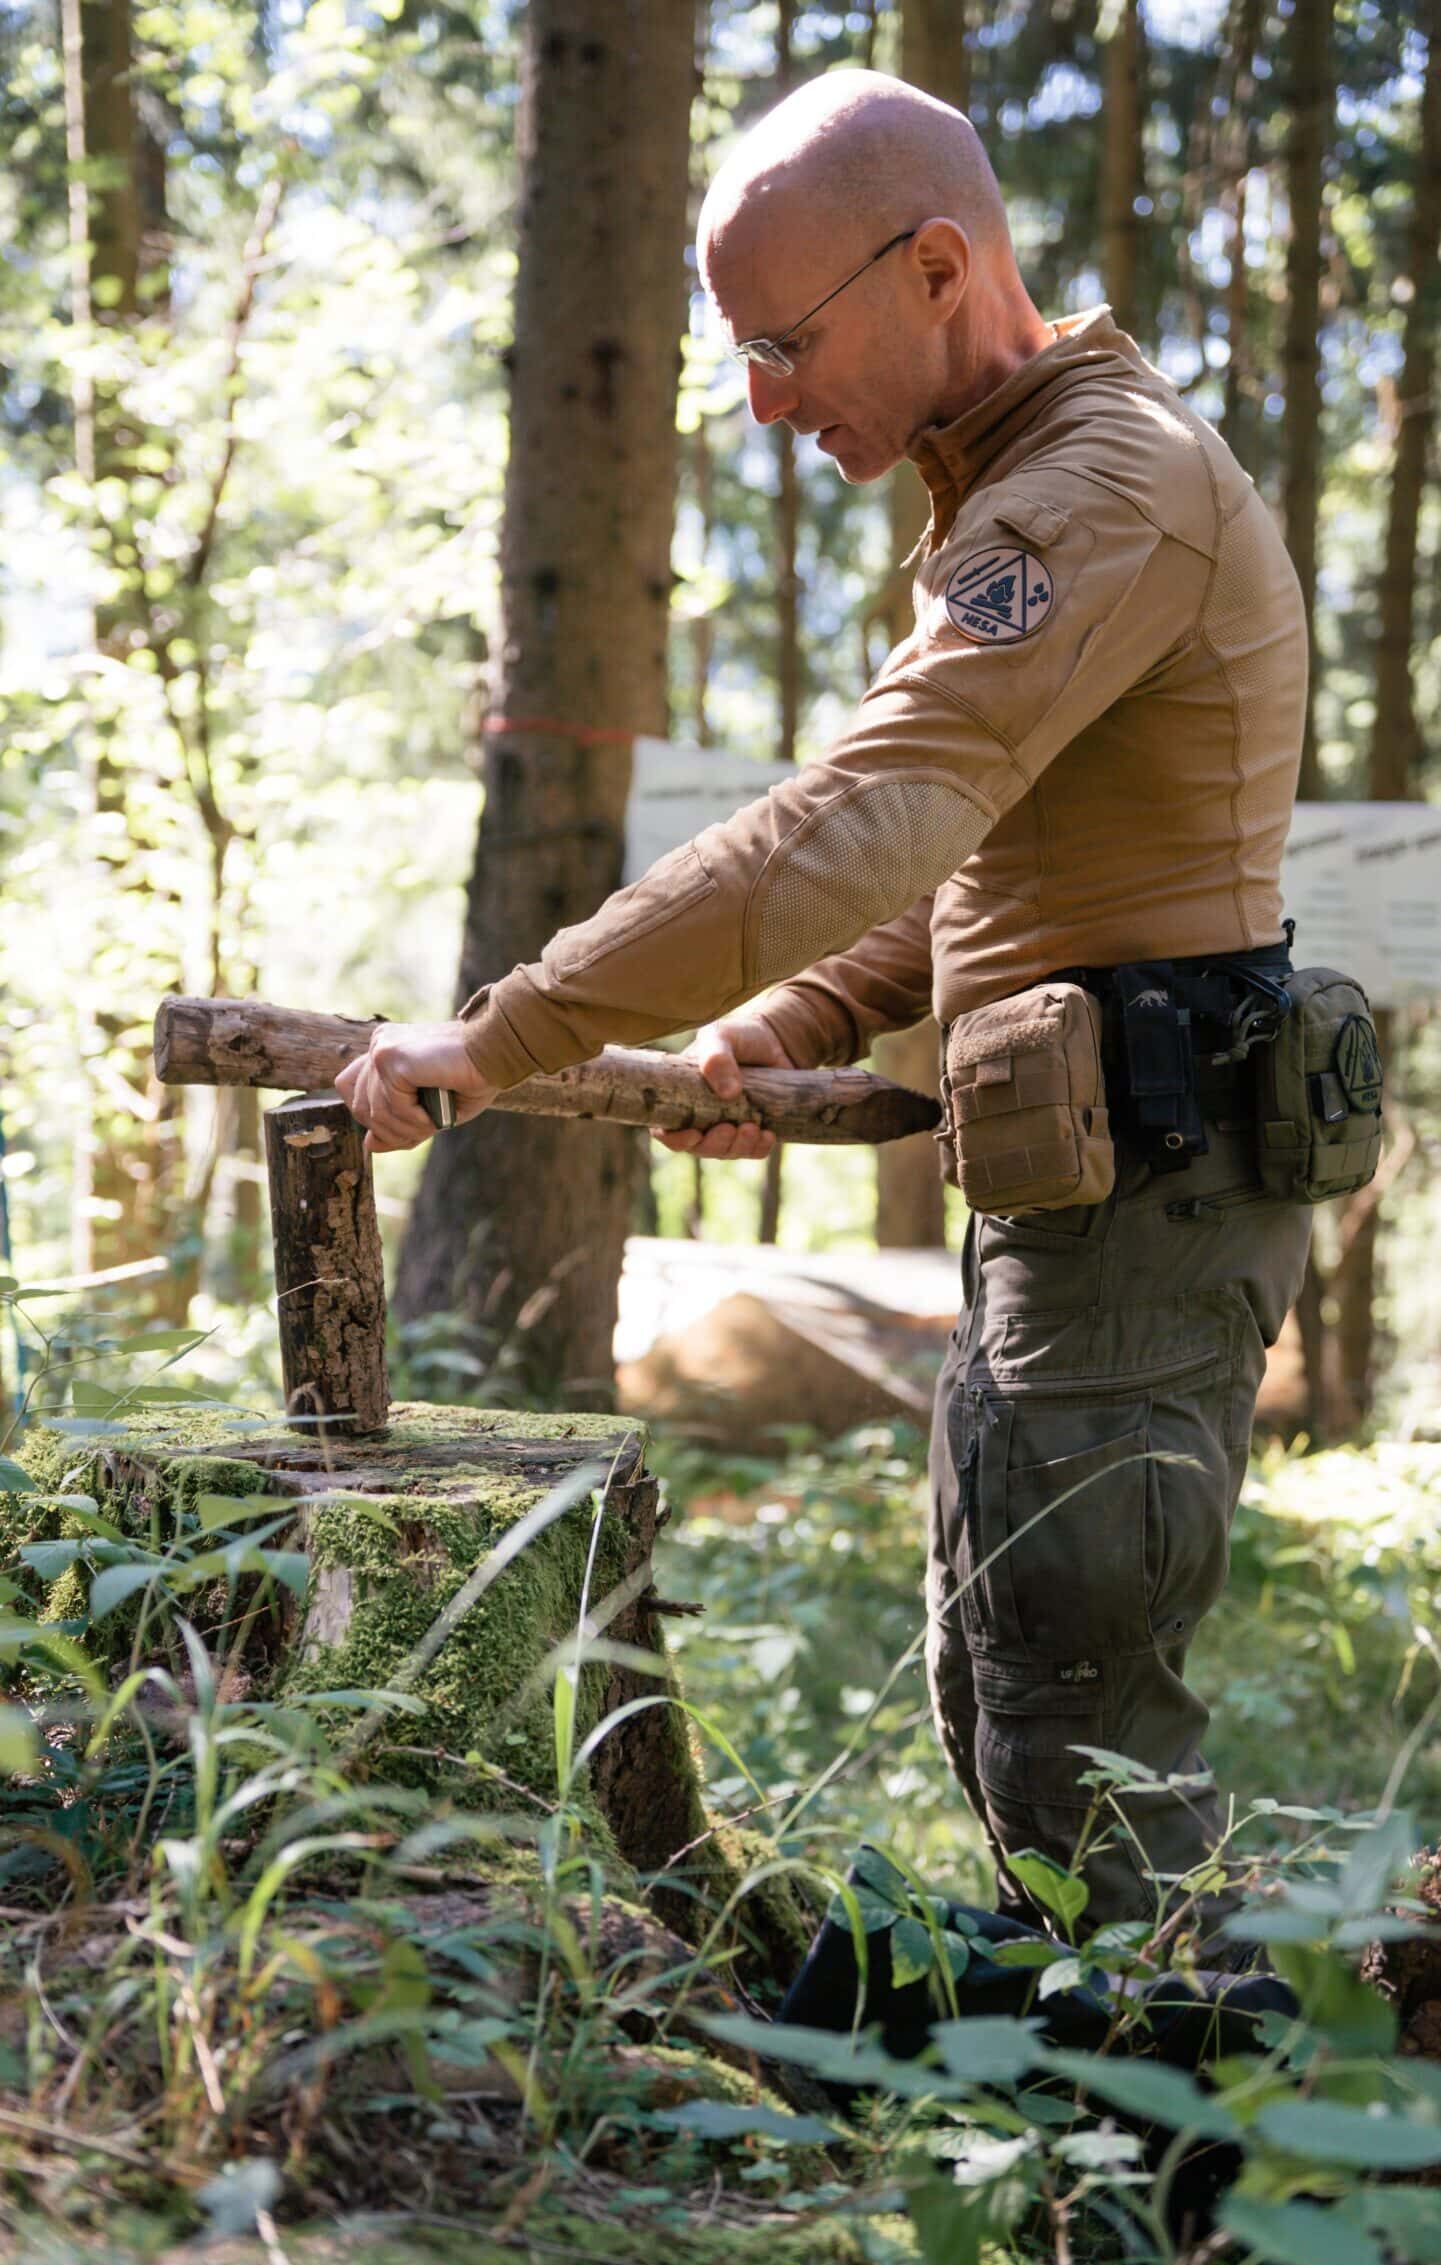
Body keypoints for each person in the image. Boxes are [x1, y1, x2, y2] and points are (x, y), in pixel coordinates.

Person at [337, 71, 1313, 1960]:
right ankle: (1108, 2143)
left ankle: (1190, 2193)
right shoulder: (1024, 489)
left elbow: (865, 818)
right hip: (1086, 1191)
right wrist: (785, 1019)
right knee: (1009, 1684)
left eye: (785, 345)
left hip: (1153, 1190)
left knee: (1083, 1733)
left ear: (937, 264)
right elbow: (989, 875)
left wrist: (505, 1033)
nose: (769, 402)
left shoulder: (1100, 490)